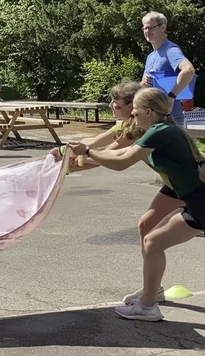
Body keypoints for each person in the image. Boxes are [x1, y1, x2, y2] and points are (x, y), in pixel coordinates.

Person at [69, 87, 205, 321]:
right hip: (191, 197)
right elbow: (115, 155)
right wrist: (72, 159)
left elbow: (121, 162)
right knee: (149, 233)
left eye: (135, 110)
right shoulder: (157, 129)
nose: (132, 115)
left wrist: (87, 151)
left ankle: (148, 305)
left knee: (153, 242)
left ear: (148, 111)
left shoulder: (159, 132)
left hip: (198, 200)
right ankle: (151, 295)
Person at [52, 82, 184, 303]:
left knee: (153, 239)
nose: (112, 105)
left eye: (117, 102)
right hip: (174, 185)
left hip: (188, 186)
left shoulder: (139, 131)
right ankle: (153, 289)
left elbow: (108, 159)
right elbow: (91, 142)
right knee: (146, 226)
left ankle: (150, 297)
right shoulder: (125, 125)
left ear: (135, 107)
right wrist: (63, 151)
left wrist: (65, 168)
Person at [140, 11, 196, 126]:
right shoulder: (151, 56)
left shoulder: (171, 50)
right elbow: (144, 88)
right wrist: (144, 83)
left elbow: (189, 70)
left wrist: (171, 97)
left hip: (170, 120)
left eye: (151, 28)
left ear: (163, 27)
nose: (147, 31)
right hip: (152, 119)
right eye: (145, 28)